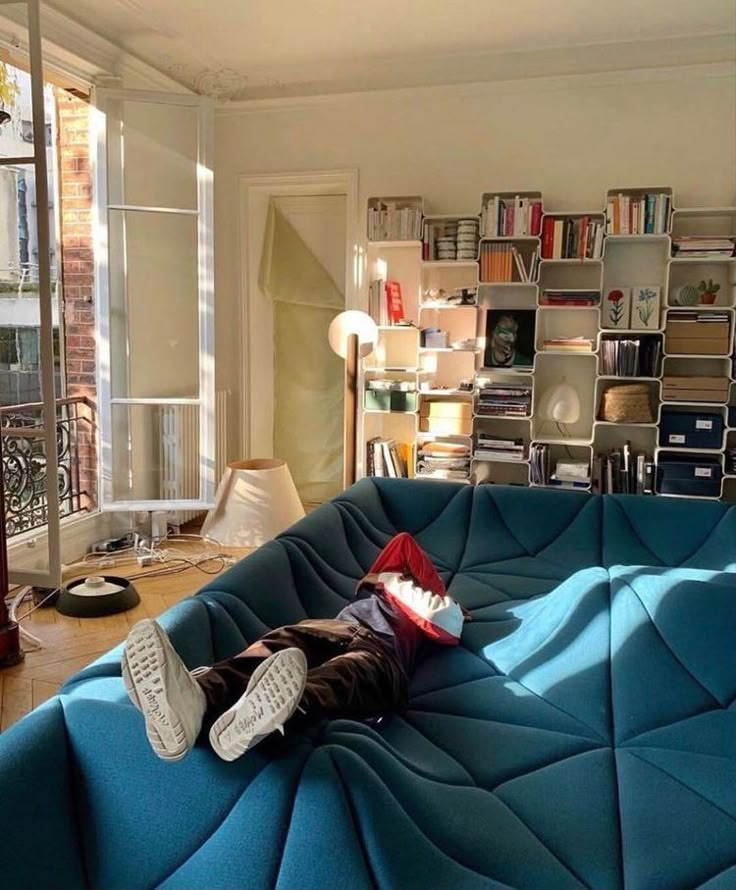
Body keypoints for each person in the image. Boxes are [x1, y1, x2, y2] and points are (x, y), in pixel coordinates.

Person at [122, 532, 469, 763]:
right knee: (277, 644)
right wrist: (384, 580)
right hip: (331, 627)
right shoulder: (371, 591)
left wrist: (400, 583)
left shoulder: (439, 609)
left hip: (380, 653)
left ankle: (262, 716)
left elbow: (444, 621)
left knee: (342, 675)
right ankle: (196, 697)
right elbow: (403, 542)